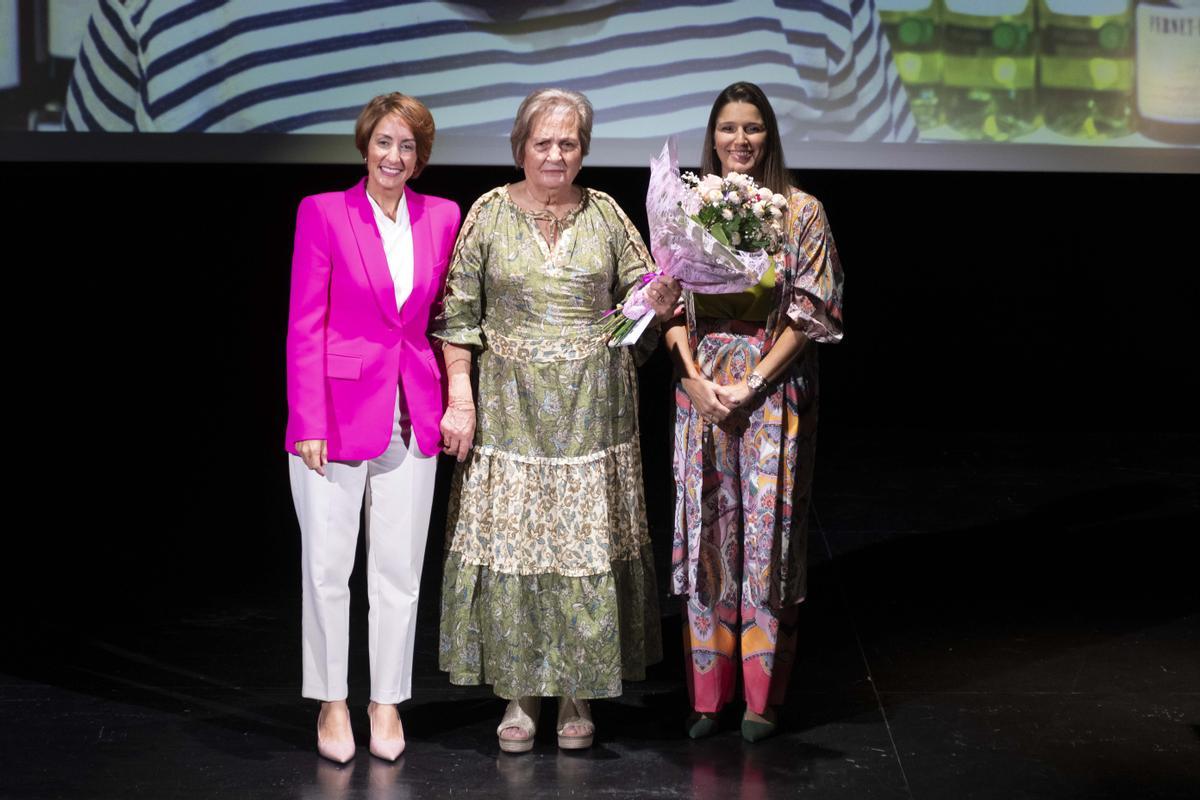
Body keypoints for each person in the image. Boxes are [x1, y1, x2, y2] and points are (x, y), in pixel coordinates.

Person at [434, 87, 680, 753]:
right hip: (510, 410)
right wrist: (460, 395)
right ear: (520, 147)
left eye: (568, 142)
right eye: (543, 142)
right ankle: (518, 693)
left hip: (592, 411)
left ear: (584, 150)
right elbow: (457, 317)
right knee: (519, 543)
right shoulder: (487, 212)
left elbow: (647, 298)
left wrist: (659, 295)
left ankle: (577, 690)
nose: (555, 153)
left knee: (581, 545)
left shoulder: (605, 214)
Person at [663, 81, 845, 742]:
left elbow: (812, 310)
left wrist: (754, 382)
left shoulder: (801, 211)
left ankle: (762, 699)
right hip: (702, 389)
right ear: (712, 137)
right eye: (728, 128)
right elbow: (667, 304)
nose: (740, 140)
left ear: (769, 136)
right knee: (707, 526)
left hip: (775, 387)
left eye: (753, 128)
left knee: (768, 533)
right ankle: (708, 697)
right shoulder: (686, 209)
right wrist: (694, 379)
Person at [285, 92, 461, 763]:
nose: (395, 156)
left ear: (420, 159)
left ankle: (385, 701)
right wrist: (307, 420)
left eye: (408, 146)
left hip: (413, 411)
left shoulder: (443, 217)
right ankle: (332, 702)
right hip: (331, 415)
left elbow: (446, 319)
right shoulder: (324, 212)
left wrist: (454, 400)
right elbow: (305, 325)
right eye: (385, 142)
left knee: (399, 571)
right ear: (366, 146)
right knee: (328, 569)